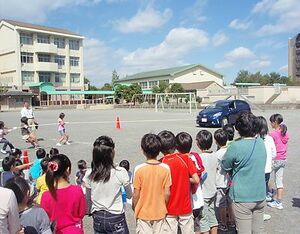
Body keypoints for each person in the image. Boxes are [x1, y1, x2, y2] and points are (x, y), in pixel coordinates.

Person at [222, 112, 266, 234]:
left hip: (242, 197)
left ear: (238, 128)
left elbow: (225, 166)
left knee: (243, 231)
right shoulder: (261, 142)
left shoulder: (235, 146)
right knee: (258, 230)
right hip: (260, 194)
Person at [83, 136, 132, 234]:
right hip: (116, 216)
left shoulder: (89, 173)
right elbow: (129, 195)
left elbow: (88, 197)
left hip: (98, 215)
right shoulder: (120, 172)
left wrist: (88, 211)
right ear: (111, 153)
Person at [158, 130, 199, 234]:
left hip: (169, 207)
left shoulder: (161, 163)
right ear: (175, 144)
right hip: (185, 205)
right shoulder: (184, 158)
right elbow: (196, 179)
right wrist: (185, 178)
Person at [132, 133, 171, 234]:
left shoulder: (139, 169)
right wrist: (163, 204)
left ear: (143, 150)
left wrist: (135, 207)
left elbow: (136, 194)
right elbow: (167, 193)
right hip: (160, 212)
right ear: (159, 151)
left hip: (143, 213)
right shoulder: (165, 168)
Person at [41, 154, 86, 233]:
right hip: (75, 230)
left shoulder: (46, 195)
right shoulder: (77, 190)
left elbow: (45, 219)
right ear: (68, 170)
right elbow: (81, 213)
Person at [175, 132, 204, 234]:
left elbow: (194, 179)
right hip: (198, 198)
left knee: (187, 227)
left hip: (188, 200)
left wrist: (183, 178)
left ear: (176, 146)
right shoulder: (195, 156)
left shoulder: (181, 160)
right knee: (197, 226)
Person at [196, 130, 218, 234]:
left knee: (203, 220)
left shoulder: (199, 158)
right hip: (213, 190)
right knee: (212, 216)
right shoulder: (215, 155)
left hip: (203, 193)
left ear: (198, 143)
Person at [214, 129, 235, 231]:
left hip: (220, 181)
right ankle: (231, 221)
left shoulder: (217, 154)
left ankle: (223, 223)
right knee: (230, 202)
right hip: (230, 181)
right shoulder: (231, 151)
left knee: (222, 204)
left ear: (216, 141)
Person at [268, 114, 289, 210]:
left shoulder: (273, 134)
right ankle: (279, 202)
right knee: (279, 182)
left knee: (265, 175)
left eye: (271, 122)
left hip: (275, 159)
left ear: (275, 122)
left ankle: (269, 193)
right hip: (283, 159)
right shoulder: (285, 132)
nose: (270, 124)